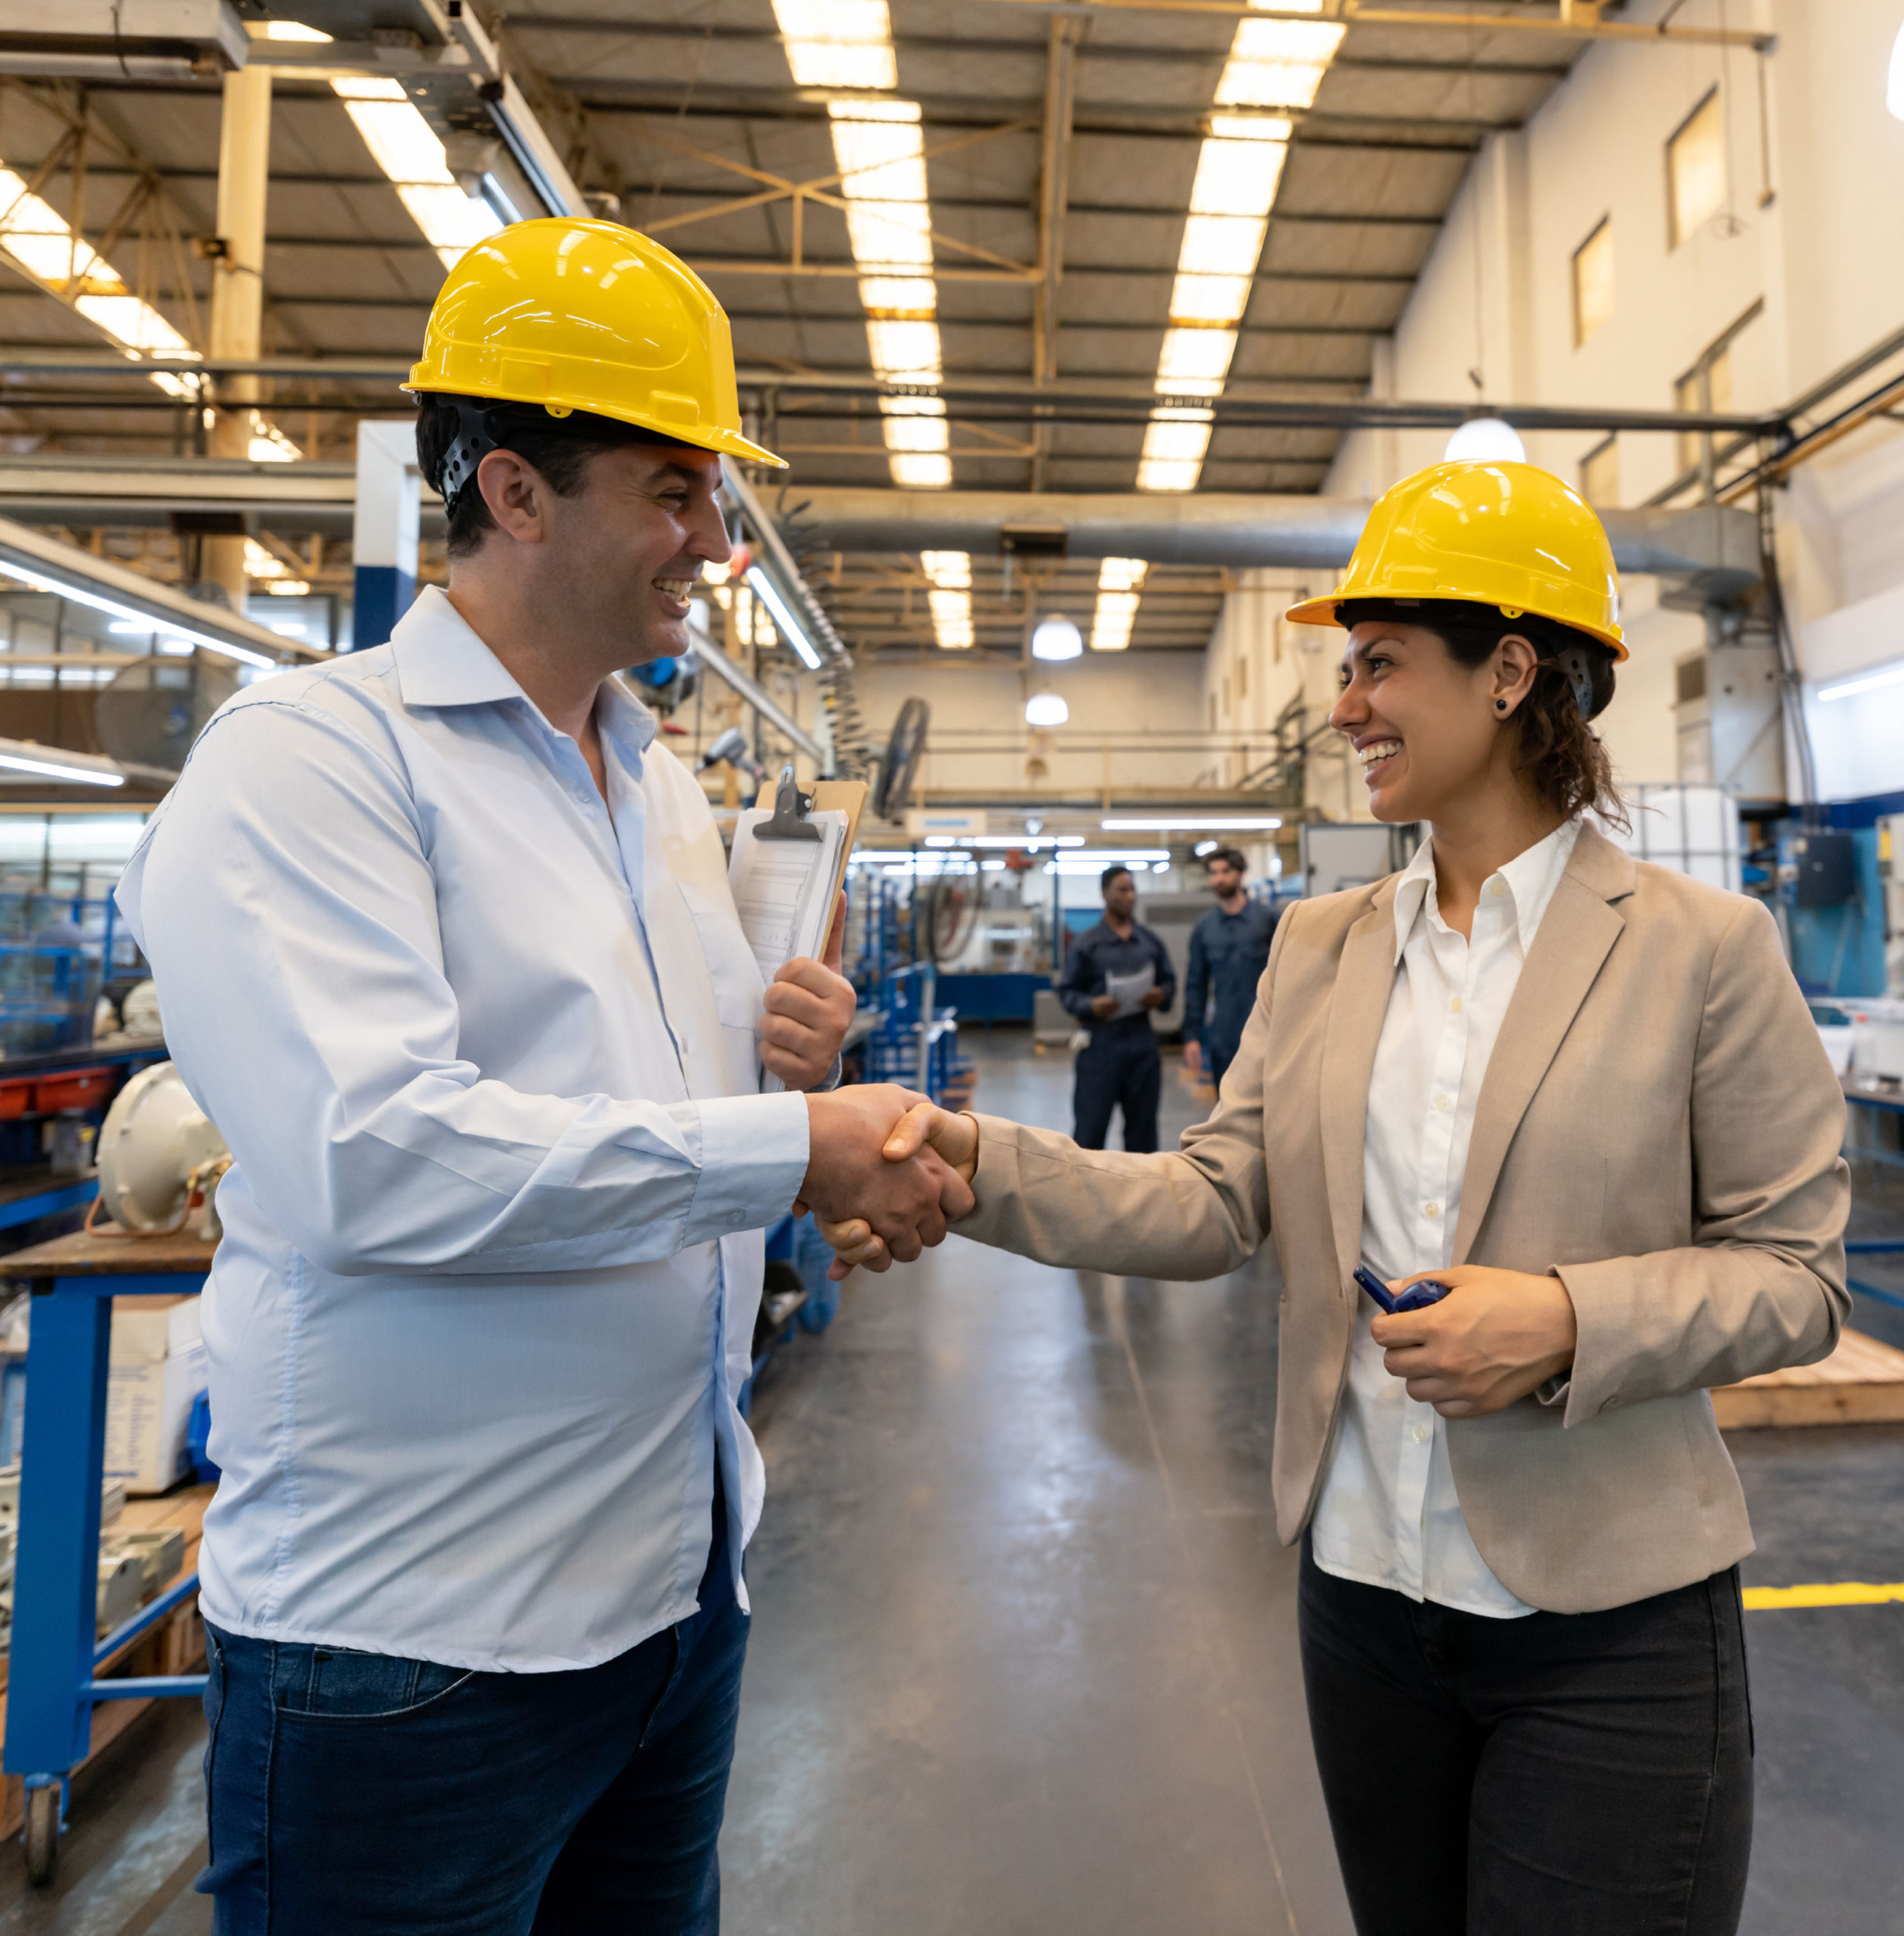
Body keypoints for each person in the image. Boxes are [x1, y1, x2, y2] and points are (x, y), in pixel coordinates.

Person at [826, 459, 1849, 1936]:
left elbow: (1799, 1273)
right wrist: (970, 1160)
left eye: (1377, 664)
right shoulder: (1317, 947)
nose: (1346, 703)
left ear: (1509, 671)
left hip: (1607, 1618)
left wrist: (1565, 1317)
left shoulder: (1700, 945)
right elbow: (1209, 1196)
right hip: (1360, 1593)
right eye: (1342, 669)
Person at [117, 217, 973, 1932]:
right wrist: (783, 1146)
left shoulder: (653, 787)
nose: (715, 544)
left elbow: (624, 1087)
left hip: (670, 1606)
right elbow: (379, 1152)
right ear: (513, 491)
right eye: (675, 490)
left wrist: (770, 1052)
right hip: (414, 1647)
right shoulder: (311, 766)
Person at [1057, 863, 1175, 1151]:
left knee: (1143, 1134)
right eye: (1123, 890)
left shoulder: (1150, 942)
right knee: (1090, 1132)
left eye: (1133, 889)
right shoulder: (1087, 944)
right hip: (1099, 1047)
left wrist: (1160, 994)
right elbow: (1067, 992)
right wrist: (1091, 1005)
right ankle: (1084, 1194)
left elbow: (1169, 982)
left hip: (1142, 1046)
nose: (1131, 896)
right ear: (1105, 894)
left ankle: (1141, 1193)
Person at [1181, 845, 1278, 1088]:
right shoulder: (1204, 928)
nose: (1219, 878)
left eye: (1226, 871)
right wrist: (1192, 1036)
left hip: (1267, 1031)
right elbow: (1195, 984)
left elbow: (1289, 974)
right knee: (1226, 1107)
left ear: (1241, 873)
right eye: (1214, 873)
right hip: (1224, 1035)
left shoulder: (1268, 920)